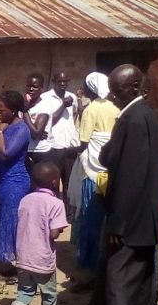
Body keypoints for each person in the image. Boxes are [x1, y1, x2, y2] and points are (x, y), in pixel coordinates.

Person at [98, 64, 158, 305]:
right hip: (142, 220)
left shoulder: (134, 119)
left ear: (135, 87)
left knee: (121, 285)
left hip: (131, 222)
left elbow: (130, 176)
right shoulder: (142, 115)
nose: (112, 96)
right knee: (140, 285)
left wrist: (118, 222)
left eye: (117, 91)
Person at [7, 162, 67, 305]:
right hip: (43, 260)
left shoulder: (25, 200)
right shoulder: (56, 203)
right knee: (49, 295)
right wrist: (59, 228)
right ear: (55, 182)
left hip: (24, 257)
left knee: (24, 292)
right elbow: (54, 233)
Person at [69, 72, 119, 271]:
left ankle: (88, 259)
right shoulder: (117, 107)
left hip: (93, 166)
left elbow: (84, 140)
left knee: (90, 213)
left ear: (91, 88)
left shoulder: (92, 109)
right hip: (111, 165)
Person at [0, 90, 32, 265]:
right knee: (3, 218)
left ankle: (14, 260)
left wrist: (0, 133)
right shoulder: (6, 125)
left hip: (14, 182)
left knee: (12, 220)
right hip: (1, 182)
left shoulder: (21, 129)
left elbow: (6, 154)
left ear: (14, 110)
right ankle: (5, 258)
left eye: (2, 110)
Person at [41, 72, 80, 205]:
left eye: (65, 81)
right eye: (60, 81)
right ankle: (55, 210)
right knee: (54, 182)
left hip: (70, 145)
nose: (63, 84)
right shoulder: (45, 98)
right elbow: (49, 121)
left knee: (69, 181)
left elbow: (74, 116)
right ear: (54, 81)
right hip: (54, 146)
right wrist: (63, 105)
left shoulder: (72, 97)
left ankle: (68, 213)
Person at [24, 73, 53, 167]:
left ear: (41, 89)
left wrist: (24, 111)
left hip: (40, 152)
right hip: (25, 150)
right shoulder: (24, 104)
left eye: (34, 86)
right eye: (29, 86)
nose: (31, 89)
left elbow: (36, 134)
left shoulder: (44, 106)